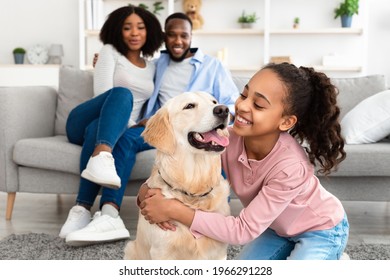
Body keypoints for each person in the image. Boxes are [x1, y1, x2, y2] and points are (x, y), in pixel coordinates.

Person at [59, 11, 239, 245]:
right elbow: (129, 73)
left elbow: (232, 103)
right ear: (164, 37)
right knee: (124, 139)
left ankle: (208, 216)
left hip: (195, 131)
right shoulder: (157, 64)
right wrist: (102, 62)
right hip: (160, 126)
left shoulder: (212, 66)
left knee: (209, 153)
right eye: (172, 35)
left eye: (183, 35)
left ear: (192, 36)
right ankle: (110, 214)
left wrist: (218, 120)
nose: (178, 41)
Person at [139, 62, 350, 260]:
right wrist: (146, 190)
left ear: (285, 121)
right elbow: (177, 160)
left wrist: (175, 211)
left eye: (258, 105)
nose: (242, 106)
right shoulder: (226, 141)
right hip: (276, 229)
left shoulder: (291, 167)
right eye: (244, 95)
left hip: (321, 229)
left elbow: (243, 231)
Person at [59, 5, 164, 244]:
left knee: (99, 128)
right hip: (82, 120)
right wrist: (134, 124)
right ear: (118, 30)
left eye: (140, 27)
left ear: (150, 32)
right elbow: (104, 94)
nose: (134, 33)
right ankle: (104, 156)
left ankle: (82, 209)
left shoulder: (153, 67)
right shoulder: (109, 52)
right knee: (121, 94)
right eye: (127, 28)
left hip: (100, 128)